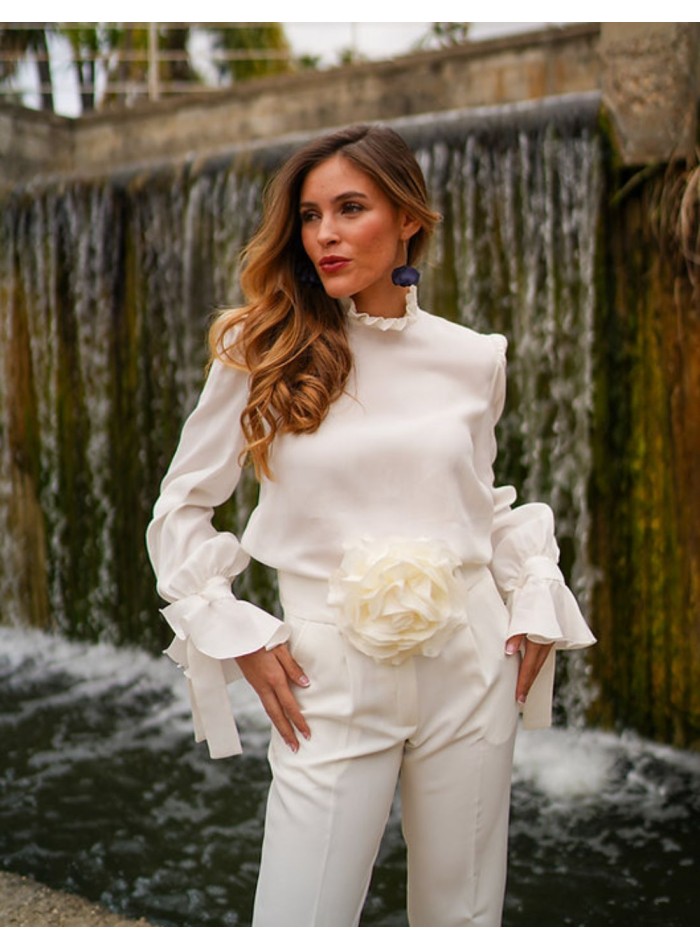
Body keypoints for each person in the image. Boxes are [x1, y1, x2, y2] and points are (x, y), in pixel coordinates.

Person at [146, 124, 595, 927]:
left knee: (462, 920)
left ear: (408, 219)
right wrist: (233, 627)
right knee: (298, 921)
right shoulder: (260, 348)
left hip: (470, 661)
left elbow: (472, 496)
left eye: (350, 209)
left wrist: (532, 590)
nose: (324, 235)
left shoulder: (473, 357)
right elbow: (182, 504)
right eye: (311, 215)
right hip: (326, 675)